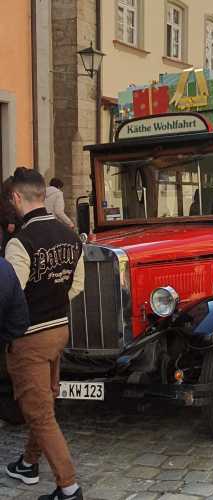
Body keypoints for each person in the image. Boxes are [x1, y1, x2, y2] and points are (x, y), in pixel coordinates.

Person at [4, 167, 85, 500]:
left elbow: (10, 292)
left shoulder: (19, 242)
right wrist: (52, 300)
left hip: (30, 337)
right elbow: (76, 285)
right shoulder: (70, 235)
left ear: (16, 198)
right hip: (59, 329)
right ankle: (27, 463)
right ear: (42, 194)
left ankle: (69, 488)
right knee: (45, 401)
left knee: (39, 413)